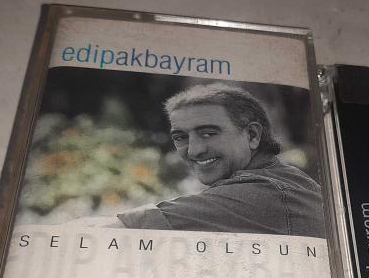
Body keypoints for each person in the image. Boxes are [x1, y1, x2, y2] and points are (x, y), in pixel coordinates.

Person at [116, 83, 326, 238]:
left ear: (252, 135)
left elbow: (121, 230)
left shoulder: (259, 192)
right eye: (180, 137)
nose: (194, 150)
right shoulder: (288, 179)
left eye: (208, 133)